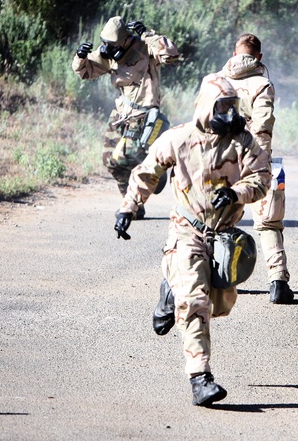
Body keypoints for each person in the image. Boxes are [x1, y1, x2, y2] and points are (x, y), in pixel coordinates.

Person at [115, 74, 271, 407]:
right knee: (196, 302)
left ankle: (170, 291)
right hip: (187, 230)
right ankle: (200, 377)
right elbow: (147, 171)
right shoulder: (179, 138)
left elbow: (261, 179)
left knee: (220, 304)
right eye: (222, 106)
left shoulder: (243, 141)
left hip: (225, 236)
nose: (229, 114)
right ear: (205, 107)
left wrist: (235, 193)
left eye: (233, 106)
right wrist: (128, 207)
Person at [73, 17, 180, 221]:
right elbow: (85, 72)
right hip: (121, 114)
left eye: (112, 44)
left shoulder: (145, 49)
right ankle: (132, 205)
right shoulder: (109, 54)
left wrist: (148, 35)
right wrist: (80, 56)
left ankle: (155, 175)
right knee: (111, 162)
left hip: (144, 115)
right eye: (105, 43)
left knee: (126, 158)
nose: (106, 47)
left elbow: (172, 55)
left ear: (125, 40)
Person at [217, 34, 294, 304]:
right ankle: (278, 283)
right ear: (259, 57)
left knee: (218, 220)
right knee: (269, 221)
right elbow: (262, 127)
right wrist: (259, 163)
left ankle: (218, 279)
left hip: (221, 161)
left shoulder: (216, 81)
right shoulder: (263, 84)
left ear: (234, 52)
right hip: (258, 159)